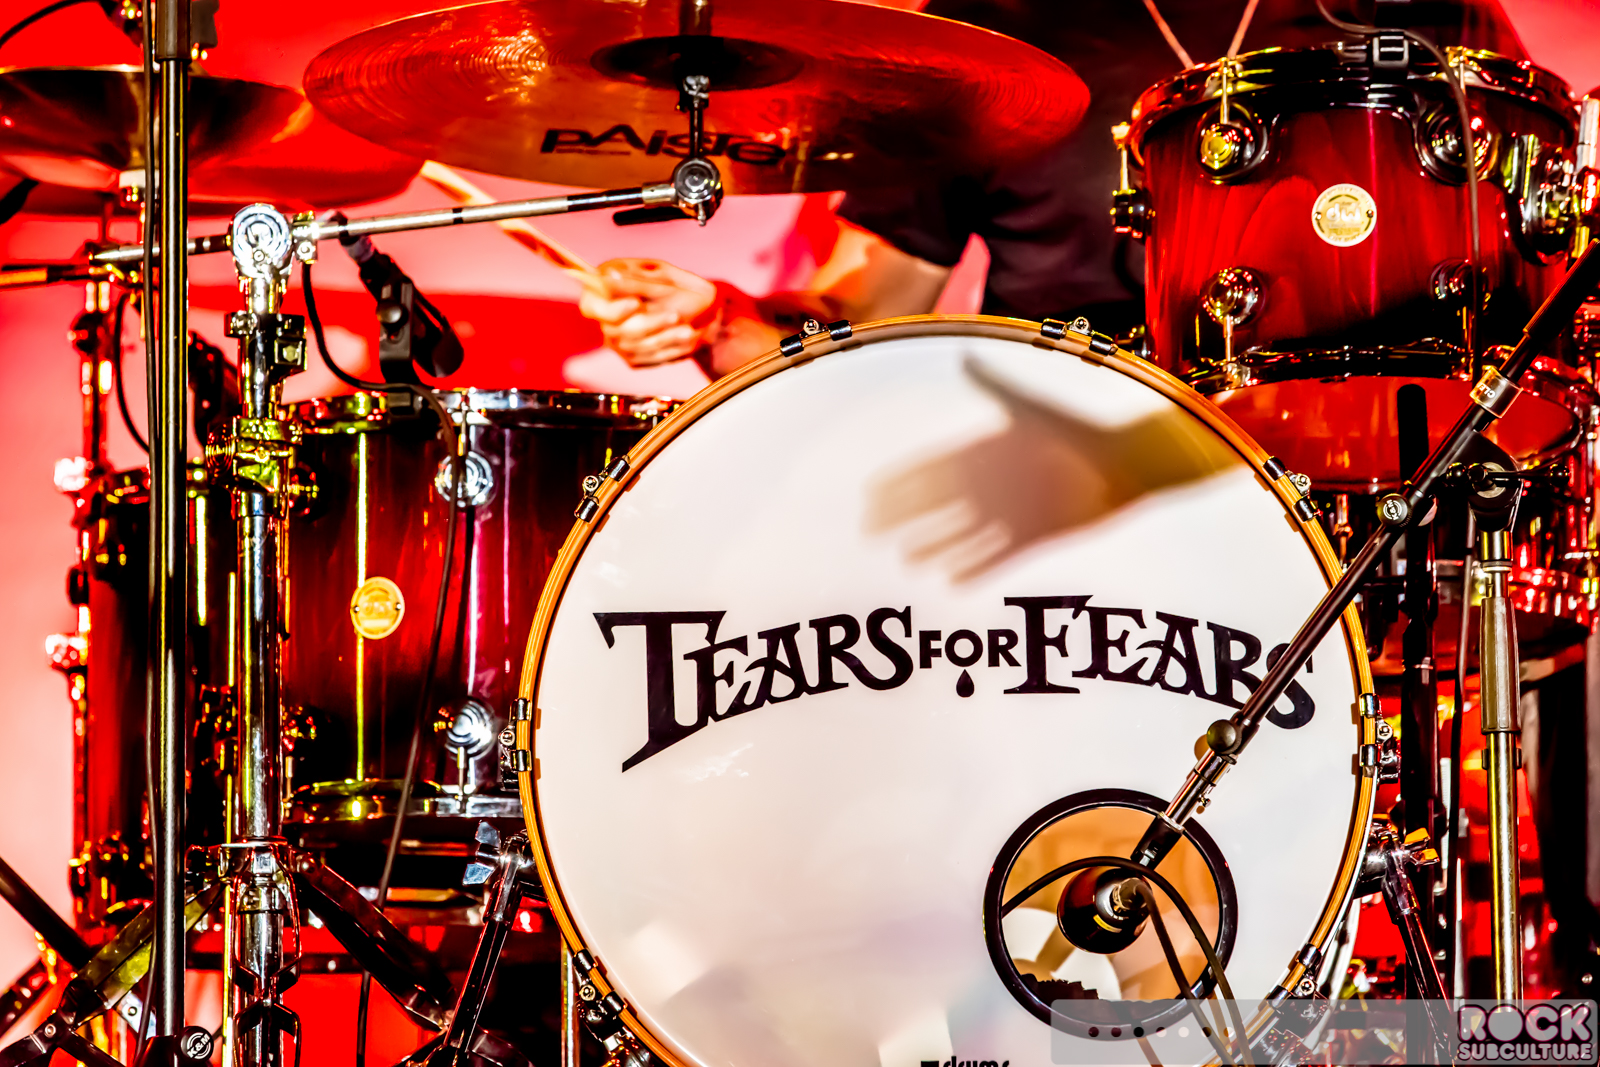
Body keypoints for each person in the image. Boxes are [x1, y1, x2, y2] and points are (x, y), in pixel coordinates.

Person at [576, 0, 1527, 378]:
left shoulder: (1418, 9)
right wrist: (722, 321)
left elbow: (1537, 241)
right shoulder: (996, 30)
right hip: (1060, 490)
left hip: (1392, 466)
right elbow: (860, 315)